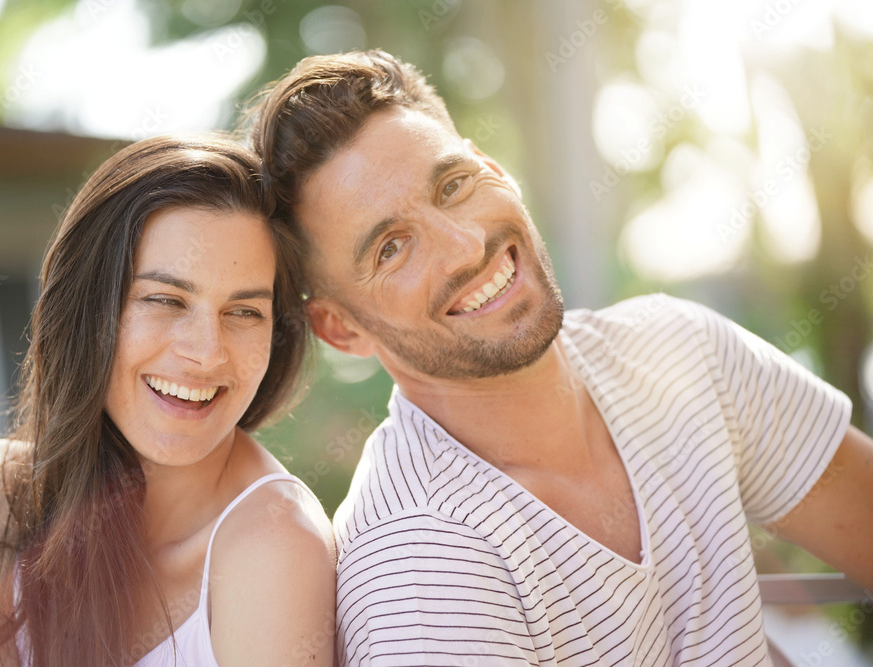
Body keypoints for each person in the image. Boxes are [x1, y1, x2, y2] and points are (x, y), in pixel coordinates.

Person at [248, 50, 873, 665]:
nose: (465, 247)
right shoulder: (423, 572)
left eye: (454, 185)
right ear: (340, 329)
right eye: (391, 248)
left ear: (494, 168)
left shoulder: (679, 352)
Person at [0, 135, 337, 667]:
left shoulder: (274, 547)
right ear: (85, 308)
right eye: (164, 300)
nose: (207, 355)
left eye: (245, 312)